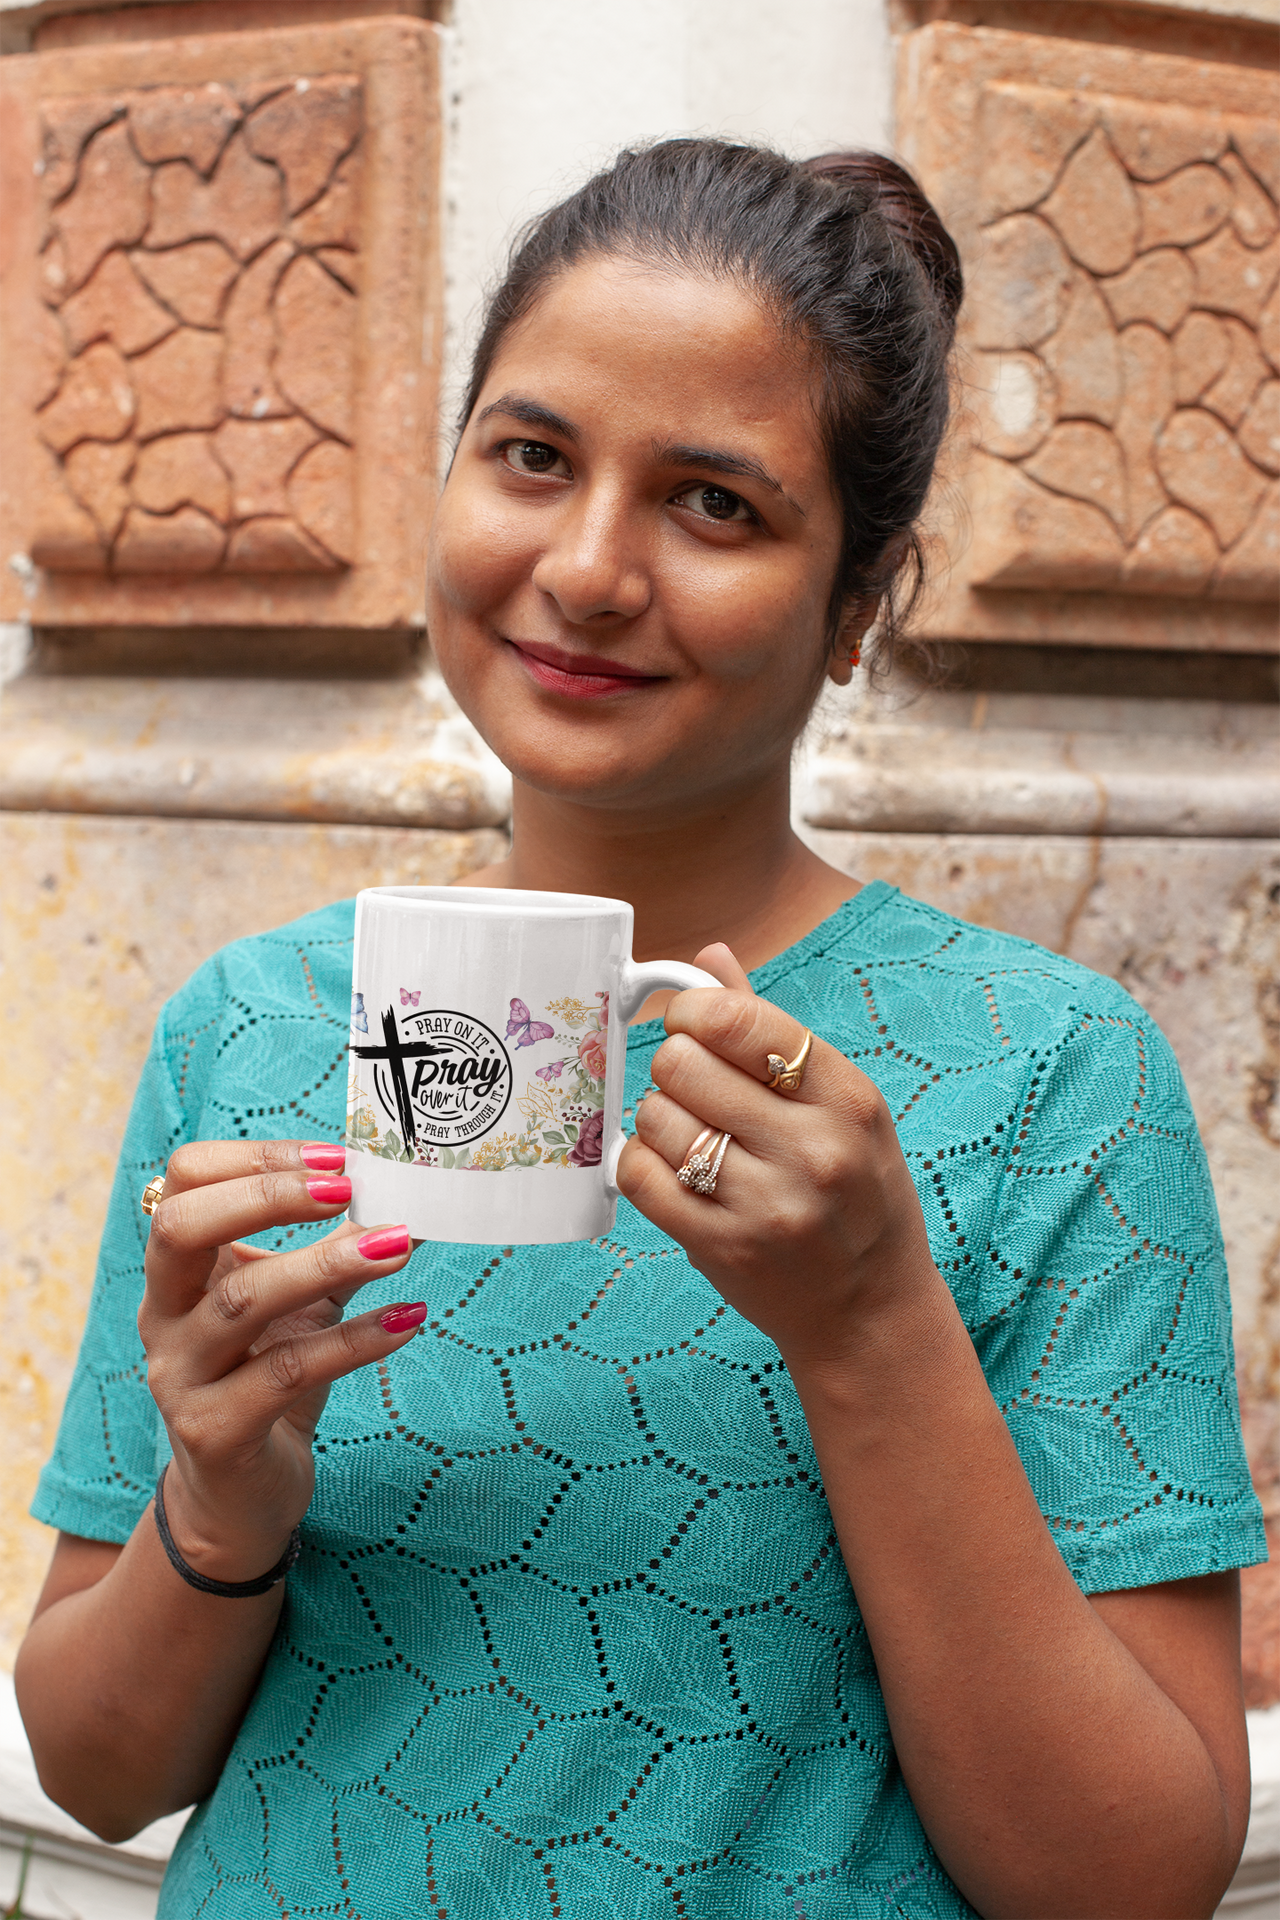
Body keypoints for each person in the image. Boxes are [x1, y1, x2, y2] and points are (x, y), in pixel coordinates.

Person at [16, 140, 1266, 1920]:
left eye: (715, 504)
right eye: (533, 458)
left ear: (857, 608)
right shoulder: (252, 1023)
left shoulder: (1051, 1074)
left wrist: (867, 1325)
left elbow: (1129, 1881)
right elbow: (98, 1764)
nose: (589, 571)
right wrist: (218, 1506)